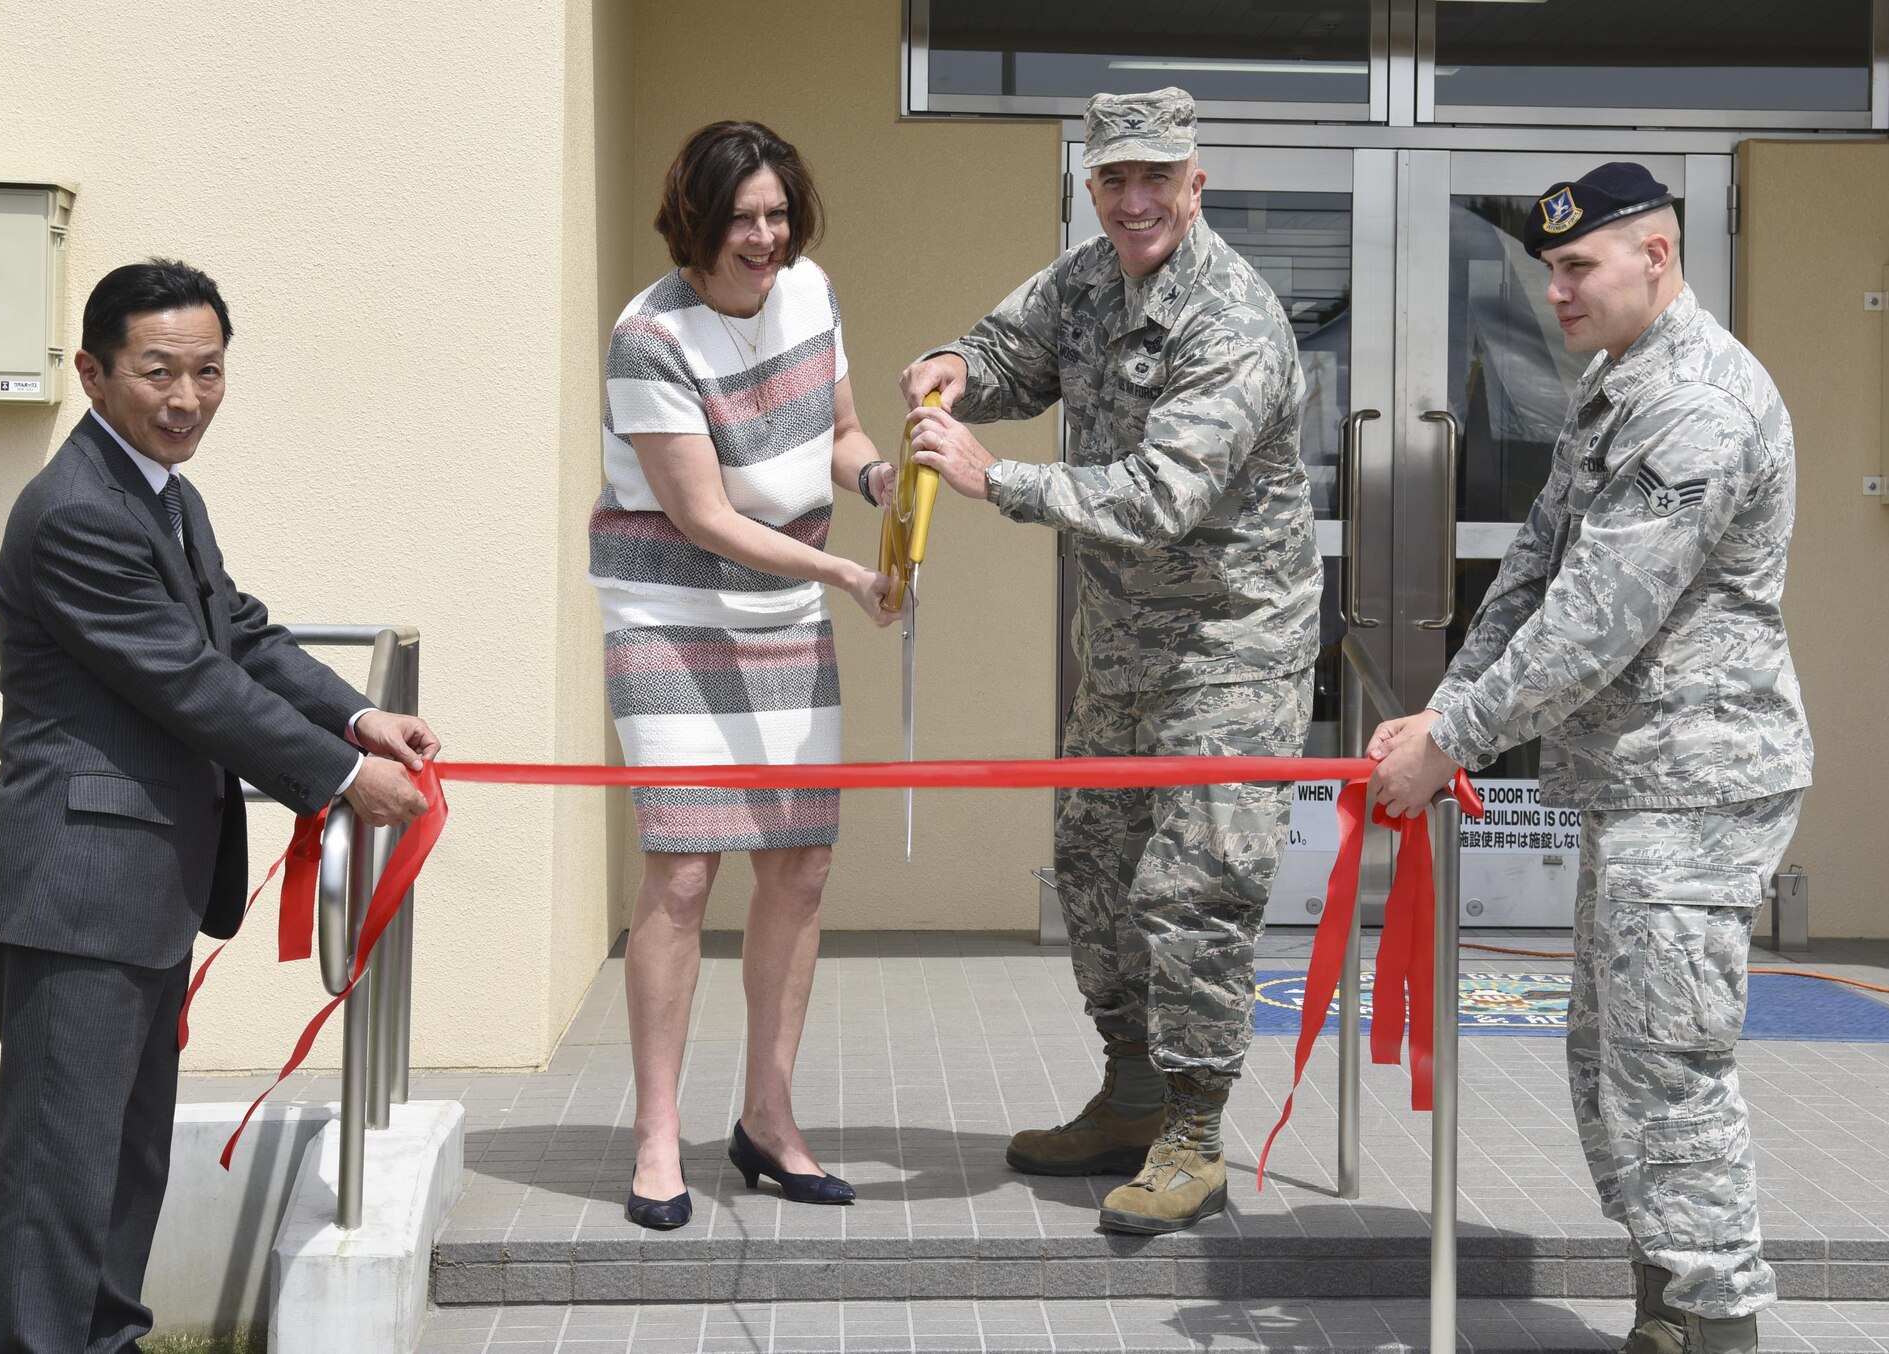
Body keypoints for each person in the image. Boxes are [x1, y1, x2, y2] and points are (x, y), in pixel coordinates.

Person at [1365, 164, 1813, 1354]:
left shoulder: (1697, 403)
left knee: (1664, 1066)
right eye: (1547, 269)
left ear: (1655, 258)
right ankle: (1667, 1297)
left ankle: (1712, 1323)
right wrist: (1439, 714)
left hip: (1698, 781)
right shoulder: (1613, 385)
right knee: (1607, 1059)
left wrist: (1447, 739)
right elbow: (1532, 574)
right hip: (1637, 783)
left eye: (1576, 269)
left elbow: (1597, 615)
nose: (1552, 291)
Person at [0, 258, 440, 1353]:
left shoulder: (161, 495)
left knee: (122, 1163)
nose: (186, 398)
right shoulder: (77, 513)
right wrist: (335, 777)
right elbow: (190, 681)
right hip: (76, 892)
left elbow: (238, 630)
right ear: (92, 373)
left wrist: (359, 718)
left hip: (137, 889)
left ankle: (108, 1338)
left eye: (208, 370)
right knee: (60, 1179)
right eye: (158, 371)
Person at [900, 87, 1319, 1235]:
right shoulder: (1085, 278)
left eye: (1155, 178)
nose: (1133, 201)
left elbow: (1159, 496)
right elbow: (1004, 352)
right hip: (1123, 649)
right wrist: (951, 368)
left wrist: (998, 479)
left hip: (1232, 653)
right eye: (1112, 180)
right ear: (1091, 186)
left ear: (1196, 181)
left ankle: (1192, 1131)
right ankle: (1131, 1093)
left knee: (1195, 890)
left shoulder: (1231, 319)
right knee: (1091, 866)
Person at [589, 120, 898, 1230]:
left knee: (802, 864)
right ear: (695, 221)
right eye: (742, 219)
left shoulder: (809, 293)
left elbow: (839, 431)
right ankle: (657, 1137)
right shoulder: (648, 337)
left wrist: (881, 483)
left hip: (784, 601)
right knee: (681, 869)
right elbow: (703, 516)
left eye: (777, 213)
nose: (764, 238)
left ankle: (768, 1120)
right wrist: (844, 573)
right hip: (671, 609)